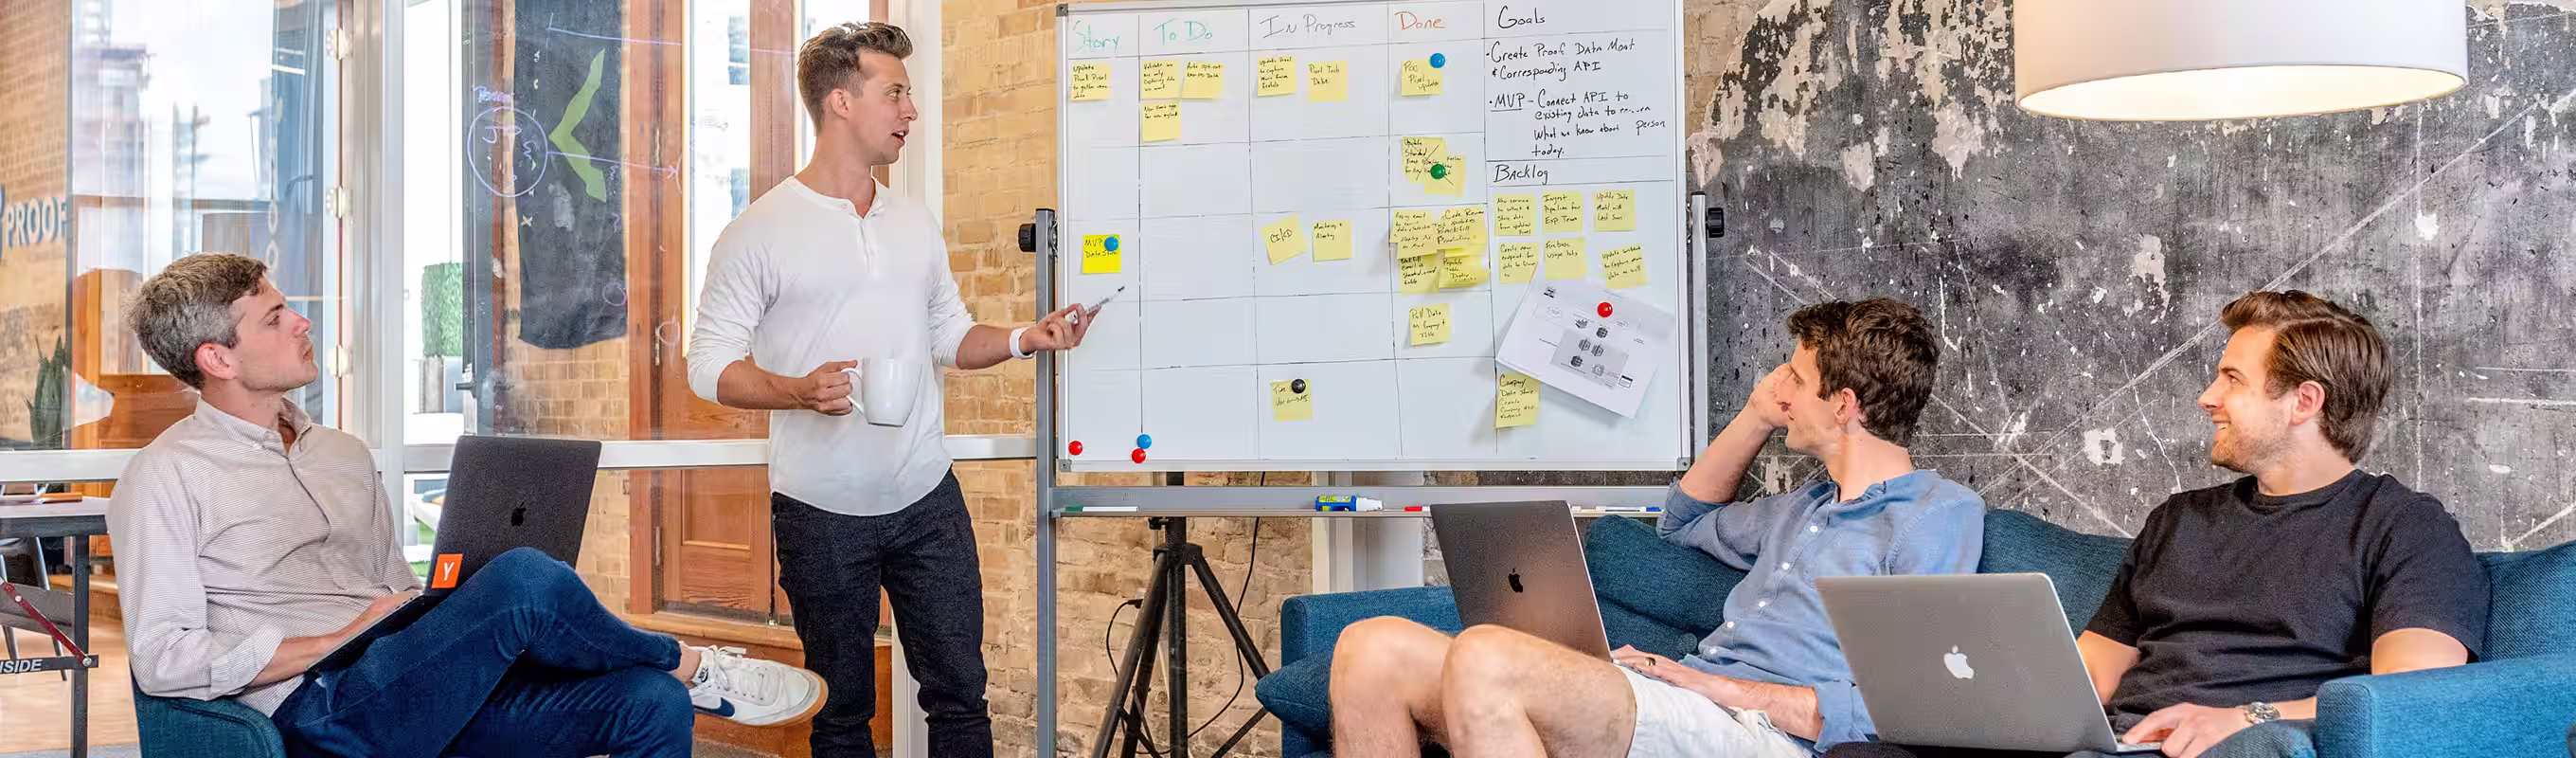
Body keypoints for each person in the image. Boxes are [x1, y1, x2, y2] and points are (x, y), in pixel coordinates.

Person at [111, 253, 824, 758]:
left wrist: (439, 613)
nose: (301, 321)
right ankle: (694, 665)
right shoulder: (165, 477)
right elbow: (165, 660)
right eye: (273, 318)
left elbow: (389, 587)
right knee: (524, 578)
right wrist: (334, 639)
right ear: (218, 360)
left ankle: (672, 678)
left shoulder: (341, 453)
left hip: (406, 682)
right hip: (322, 710)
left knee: (648, 704)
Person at [1829, 291, 2489, 758]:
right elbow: (2087, 675)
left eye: (2232, 378)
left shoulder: (2403, 528)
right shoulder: (2179, 521)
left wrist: (2243, 718)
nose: (2207, 396)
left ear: (2304, 401)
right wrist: (1979, 710)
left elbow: (2409, 696)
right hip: (2121, 743)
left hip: (2236, 747)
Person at [1329, 298, 1987, 758]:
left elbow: (1907, 706)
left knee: (1486, 655)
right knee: (1370, 649)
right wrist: (1757, 417)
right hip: (1681, 705)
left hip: (1761, 735)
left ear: (1843, 405)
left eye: (1796, 377)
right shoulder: (1799, 510)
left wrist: (1717, 685)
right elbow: (1681, 522)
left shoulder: (1934, 515)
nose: (1779, 386)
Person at [684, 21, 1093, 758]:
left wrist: (1026, 337)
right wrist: (796, 391)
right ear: (840, 101)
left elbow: (948, 335)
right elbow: (708, 365)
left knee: (961, 699)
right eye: (895, 92)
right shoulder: (759, 231)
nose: (910, 110)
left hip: (926, 497)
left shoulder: (913, 223)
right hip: (820, 511)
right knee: (841, 716)